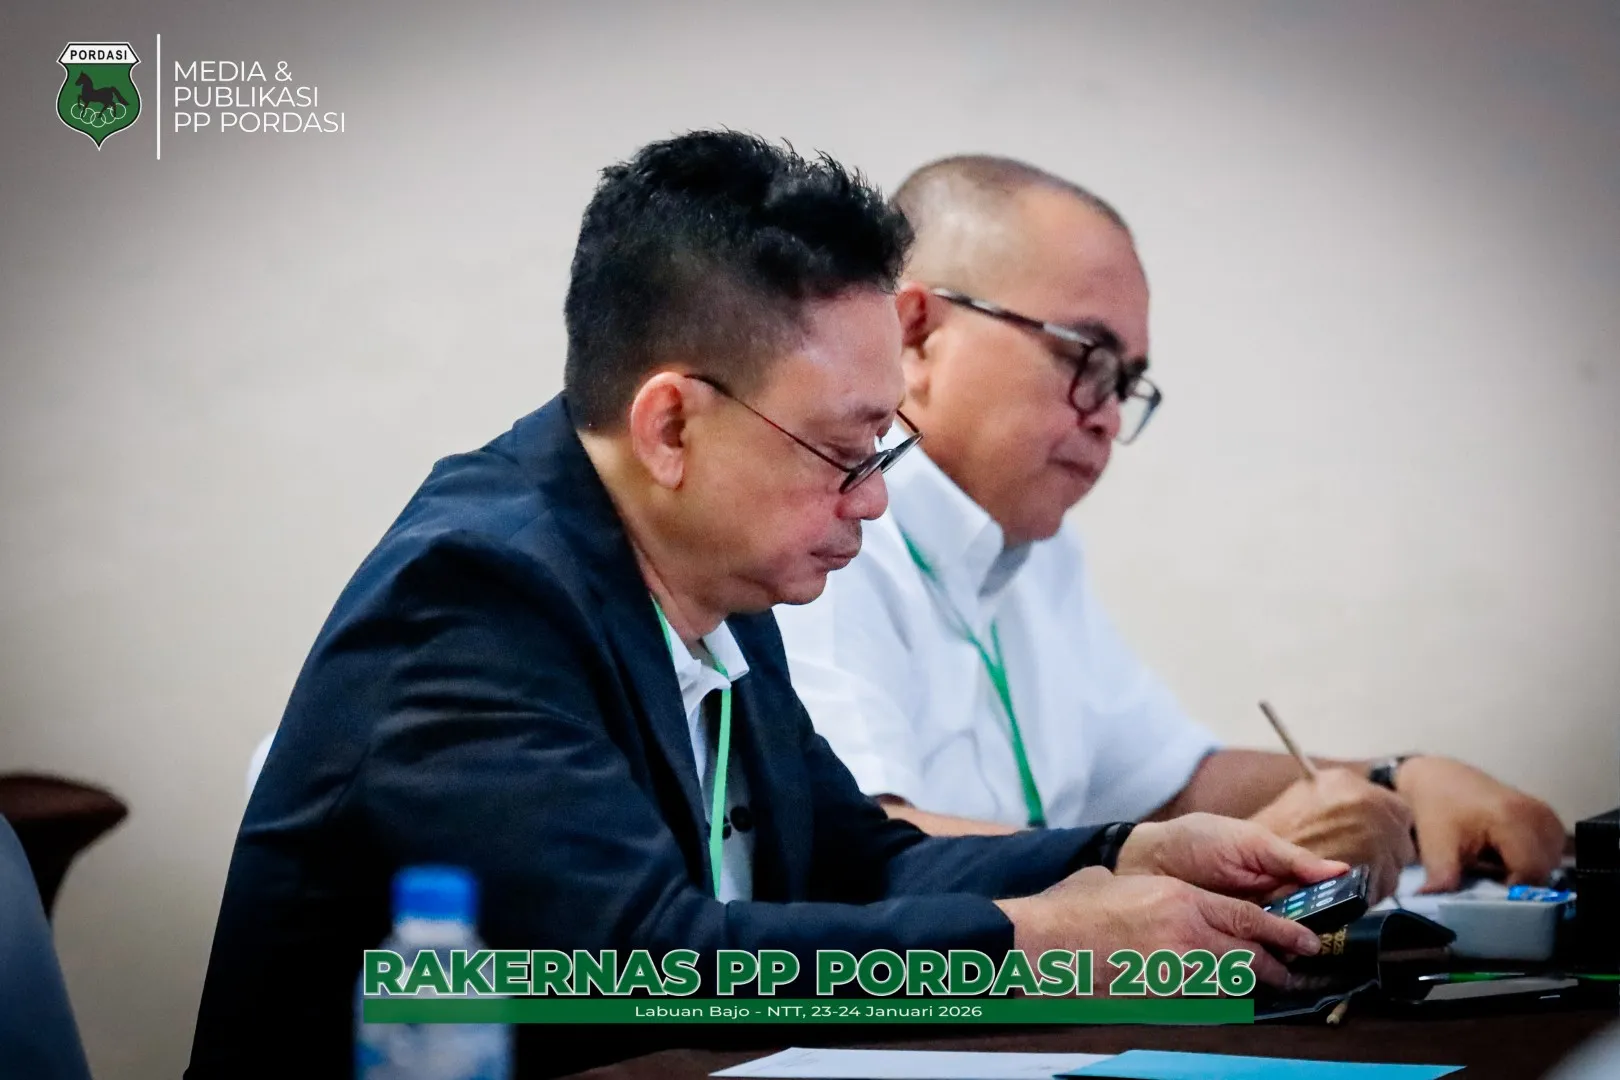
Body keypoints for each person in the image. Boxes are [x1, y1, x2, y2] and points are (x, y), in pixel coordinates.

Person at [186, 134, 1339, 1079]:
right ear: (671, 426)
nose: (874, 498)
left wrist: (1126, 853)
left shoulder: (716, 571)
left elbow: (853, 860)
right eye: (844, 451)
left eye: (881, 450)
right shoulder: (475, 597)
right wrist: (1032, 942)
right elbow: (644, 964)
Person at [774, 155, 1566, 904]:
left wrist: (1401, 781)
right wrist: (1192, 862)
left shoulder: (1036, 550)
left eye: (1125, 383)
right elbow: (867, 853)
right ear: (916, 335)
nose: (1109, 418)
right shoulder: (831, 533)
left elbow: (1171, 783)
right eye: (1086, 357)